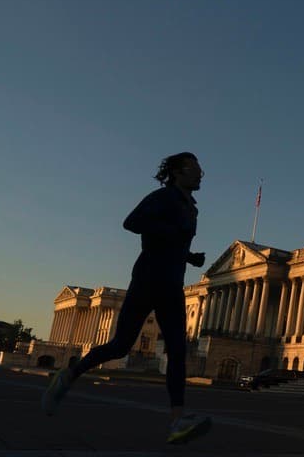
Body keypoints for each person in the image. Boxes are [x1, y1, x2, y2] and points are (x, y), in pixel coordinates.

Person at [42, 152, 211, 444]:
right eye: (195, 169)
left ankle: (177, 420)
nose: (201, 175)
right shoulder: (162, 197)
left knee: (177, 350)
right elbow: (131, 222)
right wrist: (172, 233)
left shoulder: (191, 207)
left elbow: (172, 244)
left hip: (173, 283)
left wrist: (189, 256)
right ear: (178, 172)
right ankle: (71, 373)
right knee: (120, 345)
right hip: (148, 279)